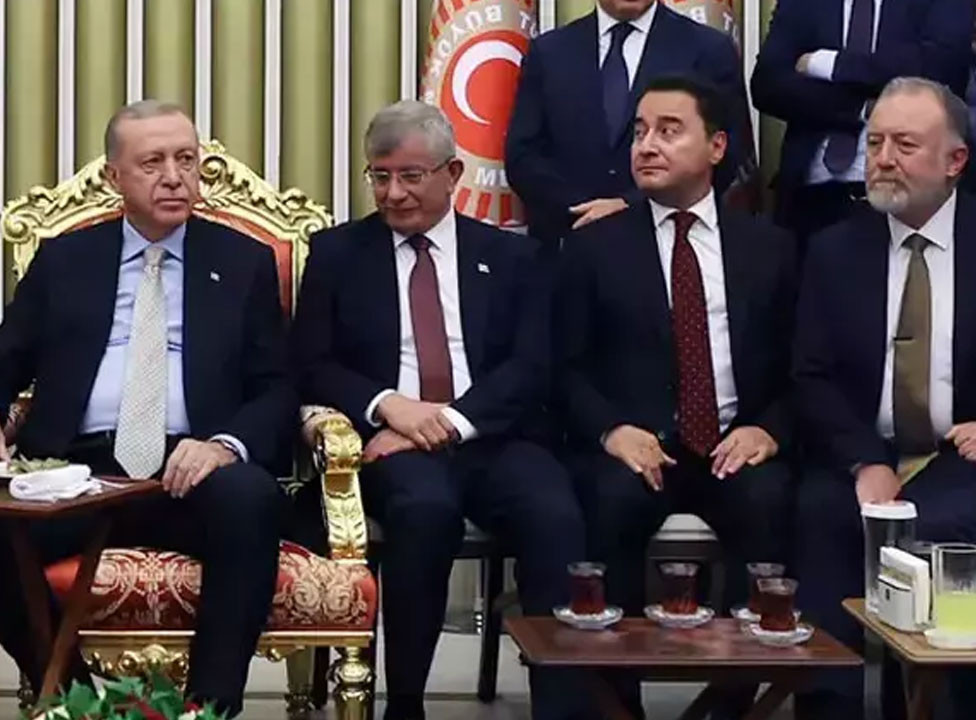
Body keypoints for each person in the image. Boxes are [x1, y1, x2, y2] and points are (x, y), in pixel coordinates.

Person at [0, 100, 293, 717]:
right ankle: (77, 702)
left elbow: (277, 388)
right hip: (76, 472)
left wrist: (224, 446)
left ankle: (208, 709)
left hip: (191, 473)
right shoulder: (65, 260)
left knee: (251, 498)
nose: (174, 177)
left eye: (186, 160)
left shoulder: (243, 262)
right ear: (115, 178)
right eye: (153, 163)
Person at [292, 100, 585, 720]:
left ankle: (560, 708)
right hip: (390, 443)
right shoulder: (338, 254)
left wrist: (444, 423)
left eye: (410, 176)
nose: (393, 193)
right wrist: (389, 405)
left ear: (452, 174)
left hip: (493, 435)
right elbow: (312, 363)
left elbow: (531, 366)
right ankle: (405, 704)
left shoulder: (513, 257)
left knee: (553, 512)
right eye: (379, 176)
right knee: (425, 512)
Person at [556, 76, 797, 719]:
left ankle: (731, 701)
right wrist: (610, 430)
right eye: (639, 131)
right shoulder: (595, 248)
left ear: (716, 146)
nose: (647, 146)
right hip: (638, 447)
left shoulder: (769, 248)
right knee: (607, 505)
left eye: (669, 131)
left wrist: (769, 429)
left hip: (732, 442)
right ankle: (617, 705)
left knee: (771, 503)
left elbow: (802, 367)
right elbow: (563, 368)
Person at [793, 77, 976, 720]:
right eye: (874, 143)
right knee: (823, 516)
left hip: (960, 458)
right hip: (858, 450)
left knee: (940, 527)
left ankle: (935, 704)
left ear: (955, 161)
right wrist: (863, 460)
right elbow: (810, 375)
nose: (883, 159)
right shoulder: (835, 249)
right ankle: (829, 709)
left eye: (905, 144)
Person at [505, 0, 752, 255]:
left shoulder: (708, 49)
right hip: (567, 244)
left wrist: (630, 205)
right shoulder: (550, 51)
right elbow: (522, 155)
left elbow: (729, 151)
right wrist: (584, 210)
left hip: (667, 248)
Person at [751, 0, 972, 250]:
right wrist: (862, 108)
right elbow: (767, 84)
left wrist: (830, 64)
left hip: (912, 200)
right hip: (811, 201)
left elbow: (940, 70)